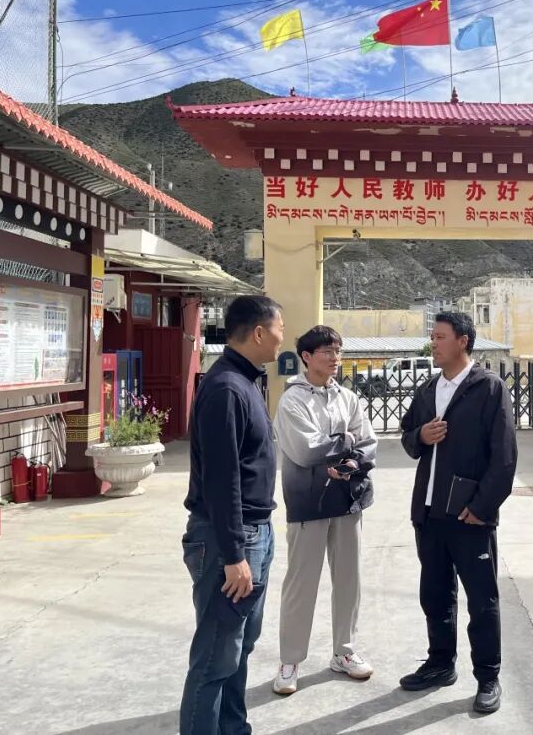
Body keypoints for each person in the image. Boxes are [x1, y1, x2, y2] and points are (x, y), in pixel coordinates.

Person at [398, 311, 517, 714]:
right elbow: (407, 437)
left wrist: (482, 507)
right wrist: (421, 435)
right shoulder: (428, 389)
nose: (433, 343)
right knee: (435, 594)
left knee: (481, 600)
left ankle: (488, 676)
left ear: (463, 341)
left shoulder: (489, 388)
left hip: (469, 515)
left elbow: (504, 457)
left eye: (440, 337)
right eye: (432, 337)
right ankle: (440, 664)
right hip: (429, 513)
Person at [180, 295, 284, 735]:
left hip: (254, 532)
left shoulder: (245, 381)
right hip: (230, 538)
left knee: (238, 648)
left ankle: (234, 728)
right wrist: (234, 554)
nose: (282, 339)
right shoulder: (226, 388)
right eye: (279, 330)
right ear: (259, 332)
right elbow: (222, 481)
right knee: (215, 656)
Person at [272, 326, 378, 695]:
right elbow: (305, 450)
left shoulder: (348, 398)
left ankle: (344, 652)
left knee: (349, 578)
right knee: (301, 583)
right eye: (326, 351)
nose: (335, 358)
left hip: (348, 500)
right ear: (306, 357)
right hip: (308, 502)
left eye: (338, 351)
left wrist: (352, 462)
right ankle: (290, 660)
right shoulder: (292, 401)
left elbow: (369, 443)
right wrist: (346, 441)